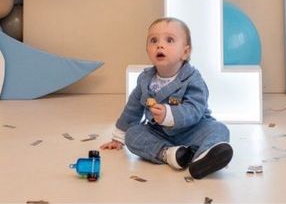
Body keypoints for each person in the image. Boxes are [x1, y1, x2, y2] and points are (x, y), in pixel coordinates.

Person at [100, 17, 233, 179]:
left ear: (185, 52)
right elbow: (133, 108)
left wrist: (169, 115)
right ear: (147, 50)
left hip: (193, 129)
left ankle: (203, 157)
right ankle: (171, 154)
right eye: (153, 40)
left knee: (219, 129)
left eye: (169, 40)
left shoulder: (192, 79)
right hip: (159, 133)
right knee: (133, 135)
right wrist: (119, 137)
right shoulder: (145, 80)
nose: (160, 45)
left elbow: (195, 109)